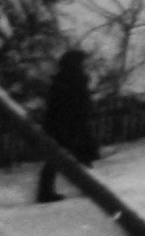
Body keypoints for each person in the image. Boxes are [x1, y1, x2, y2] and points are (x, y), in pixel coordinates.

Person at [32, 46, 99, 204]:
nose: (84, 64)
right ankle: (88, 188)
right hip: (68, 124)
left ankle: (46, 192)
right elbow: (74, 102)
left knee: (64, 158)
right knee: (75, 156)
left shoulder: (64, 79)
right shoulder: (72, 79)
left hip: (64, 125)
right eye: (81, 61)